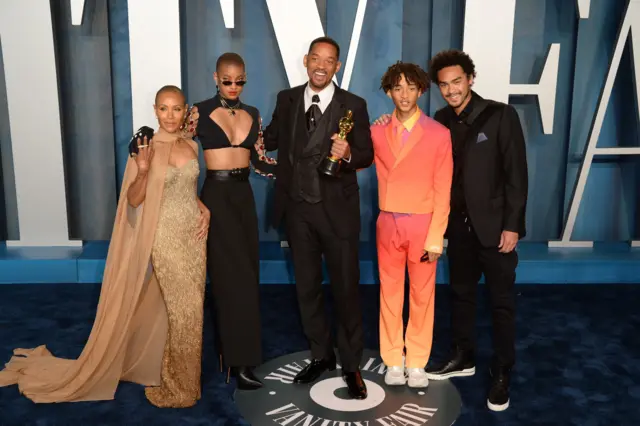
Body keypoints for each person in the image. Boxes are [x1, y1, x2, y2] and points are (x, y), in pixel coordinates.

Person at [0, 85, 209, 408]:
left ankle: (185, 382)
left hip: (193, 240)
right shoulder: (147, 148)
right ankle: (177, 387)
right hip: (165, 240)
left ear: (185, 111)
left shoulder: (192, 146)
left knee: (191, 312)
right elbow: (135, 199)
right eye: (164, 109)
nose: (170, 116)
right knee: (183, 313)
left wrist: (202, 207)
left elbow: (185, 188)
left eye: (176, 109)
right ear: (155, 110)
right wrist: (141, 171)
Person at [375, 49, 528, 411]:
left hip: (494, 228)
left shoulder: (501, 115)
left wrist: (512, 225)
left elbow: (516, 176)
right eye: (444, 84)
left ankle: (503, 370)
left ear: (470, 79)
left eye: (457, 81)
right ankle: (464, 355)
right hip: (455, 227)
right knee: (460, 296)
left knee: (501, 302)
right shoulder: (439, 121)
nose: (451, 89)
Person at [132, 53, 274, 390]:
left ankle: (243, 357)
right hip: (215, 196)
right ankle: (236, 362)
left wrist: (303, 167)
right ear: (215, 78)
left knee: (248, 277)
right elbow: (172, 134)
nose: (234, 86)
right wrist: (143, 146)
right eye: (227, 80)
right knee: (228, 280)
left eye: (240, 80)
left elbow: (262, 161)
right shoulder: (197, 111)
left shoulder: (254, 114)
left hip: (243, 198)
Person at [260, 36, 374, 400]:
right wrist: (238, 122)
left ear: (337, 66)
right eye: (315, 58)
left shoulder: (353, 105)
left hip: (337, 214)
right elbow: (270, 139)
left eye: (329, 60)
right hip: (298, 212)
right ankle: (321, 355)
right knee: (306, 289)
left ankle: (352, 365)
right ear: (306, 61)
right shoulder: (287, 98)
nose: (321, 65)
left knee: (346, 291)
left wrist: (349, 153)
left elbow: (367, 154)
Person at [371, 62, 452, 389]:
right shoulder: (376, 130)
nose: (404, 95)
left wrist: (437, 238)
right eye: (397, 88)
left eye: (410, 87)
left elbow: (443, 189)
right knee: (389, 294)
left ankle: (416, 360)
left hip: (423, 224)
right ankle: (393, 359)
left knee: (422, 295)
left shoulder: (438, 133)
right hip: (387, 222)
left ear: (421, 90)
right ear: (389, 91)